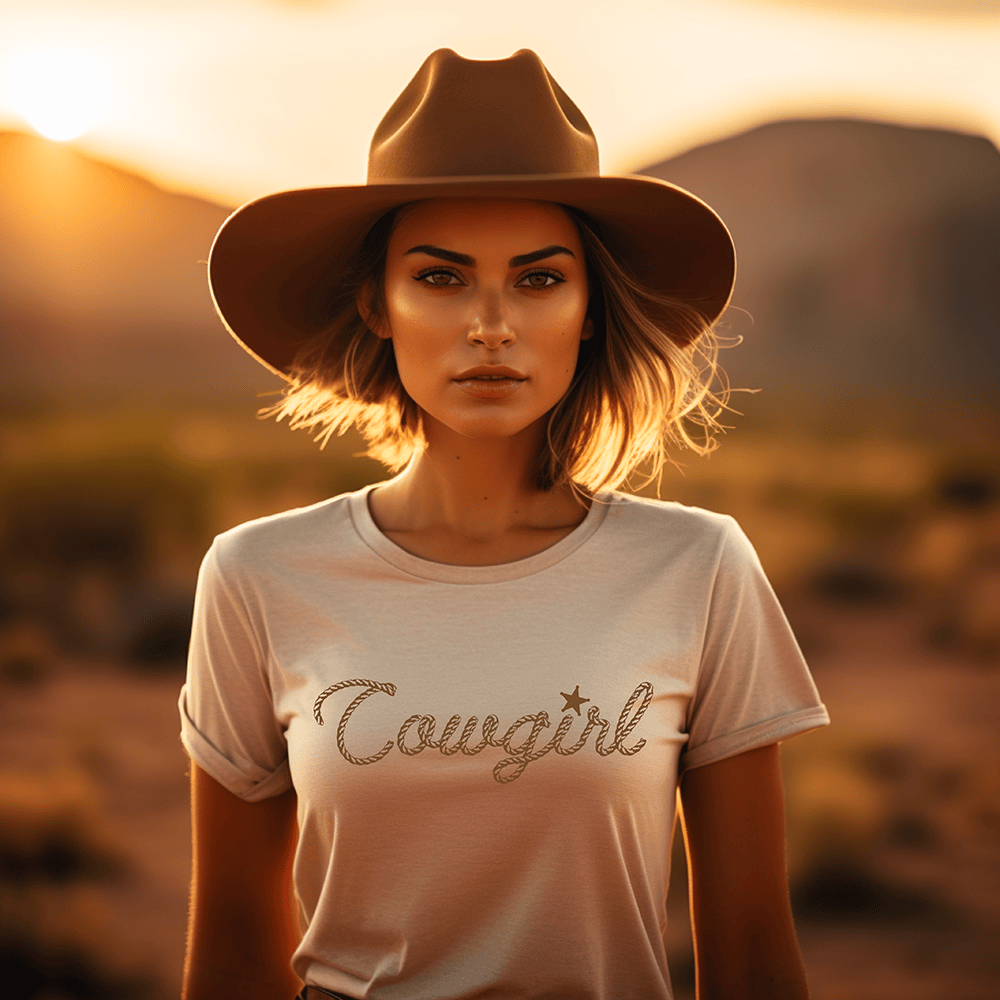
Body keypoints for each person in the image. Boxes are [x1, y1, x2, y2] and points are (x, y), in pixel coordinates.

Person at [179, 48, 830, 1000]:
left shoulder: (698, 569)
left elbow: (754, 955)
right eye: (442, 278)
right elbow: (234, 955)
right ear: (377, 304)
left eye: (538, 279)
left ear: (590, 308)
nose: (491, 324)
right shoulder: (257, 576)